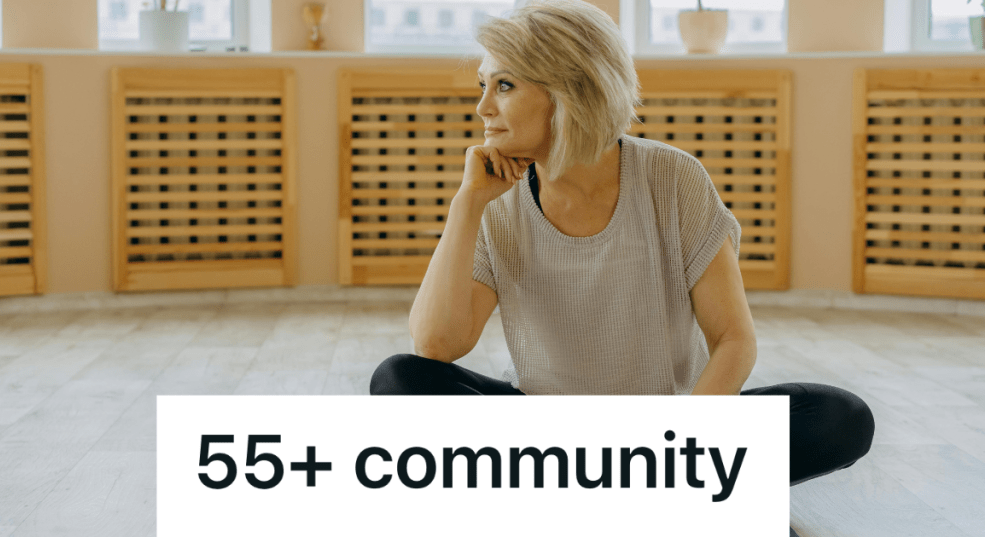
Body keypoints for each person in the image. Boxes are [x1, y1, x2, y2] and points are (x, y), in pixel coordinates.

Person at [369, 0, 874, 494]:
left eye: (504, 85)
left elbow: (732, 339)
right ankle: (637, 495)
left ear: (568, 90)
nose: (483, 107)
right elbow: (436, 346)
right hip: (549, 438)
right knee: (398, 380)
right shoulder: (494, 202)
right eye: (483, 85)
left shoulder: (673, 177)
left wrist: (683, 450)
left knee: (838, 416)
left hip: (666, 435)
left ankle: (595, 492)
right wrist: (466, 205)